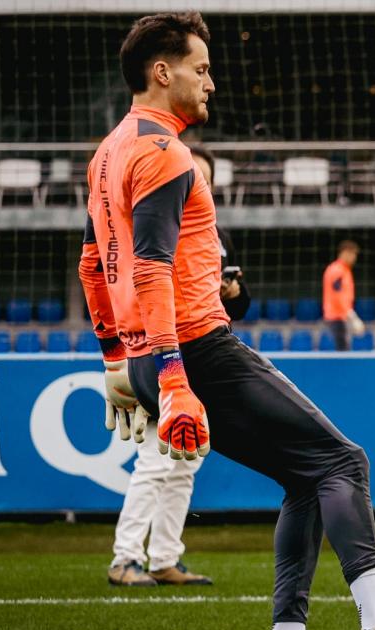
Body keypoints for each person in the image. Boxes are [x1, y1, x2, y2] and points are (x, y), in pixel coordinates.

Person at [78, 13, 375, 630]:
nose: (211, 82)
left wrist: (122, 361)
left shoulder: (109, 151)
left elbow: (93, 261)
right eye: (201, 68)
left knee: (306, 479)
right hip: (196, 350)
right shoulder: (165, 153)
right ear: (161, 71)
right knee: (344, 464)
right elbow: (146, 266)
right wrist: (173, 379)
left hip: (153, 352)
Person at [105, 145, 251, 588]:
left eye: (201, 177)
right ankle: (125, 558)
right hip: (160, 356)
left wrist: (231, 294)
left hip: (202, 357)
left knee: (184, 463)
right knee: (154, 459)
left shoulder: (216, 235)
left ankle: (164, 557)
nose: (194, 182)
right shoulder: (151, 226)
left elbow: (241, 303)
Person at [322, 240, 365, 351]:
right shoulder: (337, 270)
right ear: (345, 252)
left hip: (341, 317)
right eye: (353, 254)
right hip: (336, 318)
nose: (354, 258)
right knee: (342, 354)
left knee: (343, 351)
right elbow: (338, 295)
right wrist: (351, 316)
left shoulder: (344, 270)